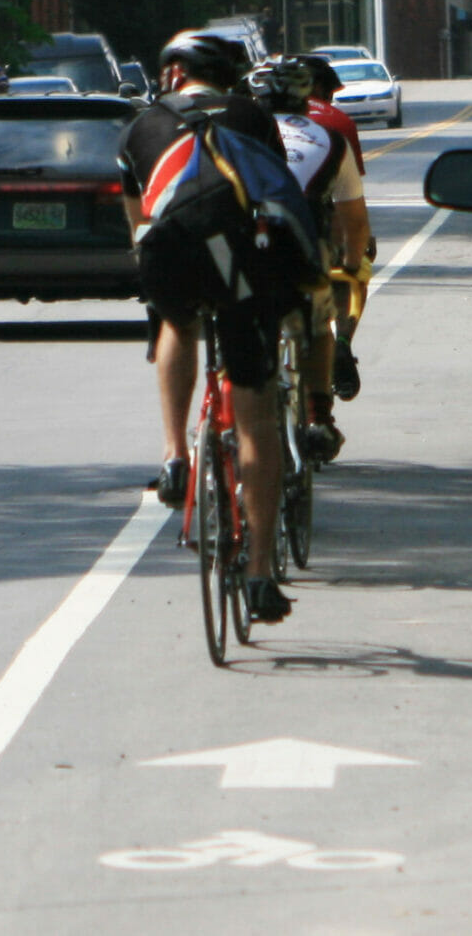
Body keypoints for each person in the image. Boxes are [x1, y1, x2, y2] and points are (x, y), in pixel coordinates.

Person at [118, 32, 292, 623]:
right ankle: (261, 572)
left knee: (176, 319)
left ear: (172, 73)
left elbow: (138, 225)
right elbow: (276, 191)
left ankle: (173, 454)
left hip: (169, 253)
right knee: (257, 420)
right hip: (237, 257)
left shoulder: (139, 127)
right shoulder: (252, 116)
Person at [246, 55, 370, 463]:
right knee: (317, 322)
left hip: (244, 247)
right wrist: (351, 264)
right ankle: (319, 416)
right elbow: (354, 221)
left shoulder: (234, 135)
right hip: (302, 247)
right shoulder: (329, 137)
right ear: (308, 98)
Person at [303, 56, 370, 400]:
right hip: (321, 221)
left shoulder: (255, 119)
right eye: (329, 91)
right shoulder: (338, 122)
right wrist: (356, 252)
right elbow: (349, 199)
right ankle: (342, 340)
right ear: (316, 87)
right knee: (349, 275)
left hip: (261, 226)